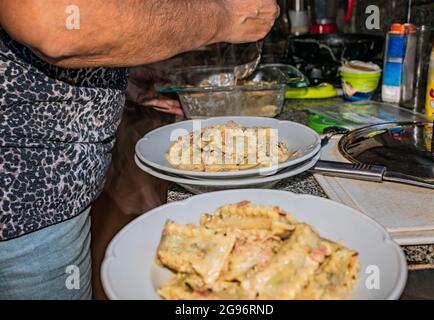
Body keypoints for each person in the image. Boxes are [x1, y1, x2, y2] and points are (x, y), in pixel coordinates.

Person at [0, 0, 279, 299]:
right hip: (23, 202)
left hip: (50, 198)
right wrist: (224, 16)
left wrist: (111, 65)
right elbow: (54, 21)